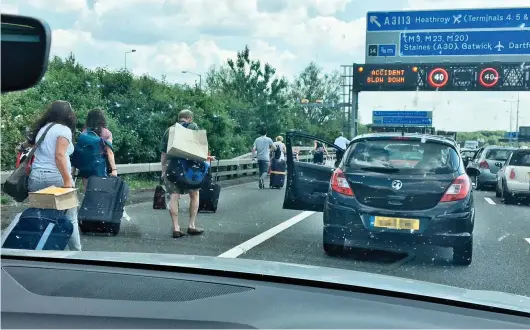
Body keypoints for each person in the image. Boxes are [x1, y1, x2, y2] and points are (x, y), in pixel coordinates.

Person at [27, 100, 82, 251]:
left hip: (36, 178)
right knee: (70, 216)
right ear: (68, 114)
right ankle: (77, 253)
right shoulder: (64, 130)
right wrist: (67, 180)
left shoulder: (43, 129)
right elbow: (59, 155)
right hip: (56, 178)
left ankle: (38, 251)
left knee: (40, 217)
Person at [160, 109, 214, 238]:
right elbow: (201, 149)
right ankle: (191, 225)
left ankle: (176, 228)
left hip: (173, 167)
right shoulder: (193, 127)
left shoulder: (169, 131)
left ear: (179, 118)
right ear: (189, 118)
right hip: (190, 169)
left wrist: (163, 170)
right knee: (194, 194)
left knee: (174, 196)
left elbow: (164, 153)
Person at [78, 109, 118, 192]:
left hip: (86, 168)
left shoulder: (84, 133)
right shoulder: (107, 133)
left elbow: (80, 152)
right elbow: (109, 152)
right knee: (101, 193)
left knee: (87, 192)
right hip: (100, 167)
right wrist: (114, 170)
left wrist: (73, 171)